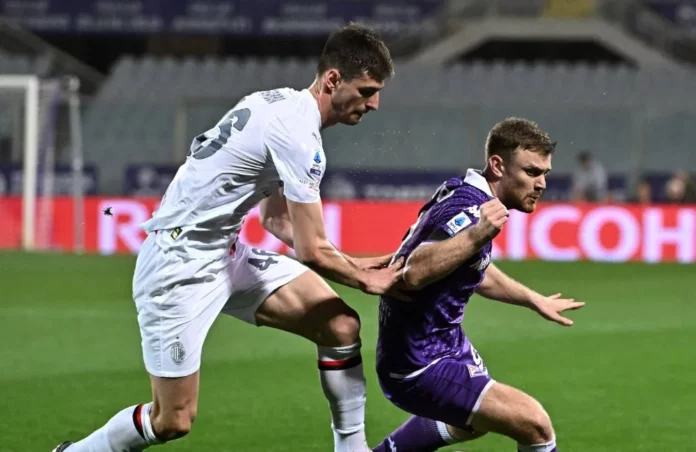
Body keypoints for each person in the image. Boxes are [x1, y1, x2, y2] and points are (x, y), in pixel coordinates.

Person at [54, 24, 404, 452]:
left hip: (226, 254)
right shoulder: (299, 137)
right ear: (333, 80)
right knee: (173, 421)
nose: (375, 103)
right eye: (368, 90)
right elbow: (312, 249)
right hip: (178, 264)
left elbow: (276, 222)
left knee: (340, 325)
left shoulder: (276, 103)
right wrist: (369, 280)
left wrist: (350, 262)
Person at [372, 118, 585, 452]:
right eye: (531, 172)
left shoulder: (471, 196)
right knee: (535, 424)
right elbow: (413, 273)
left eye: (545, 172)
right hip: (419, 363)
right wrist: (476, 234)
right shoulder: (469, 211)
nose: (542, 183)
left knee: (470, 425)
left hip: (446, 345)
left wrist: (533, 300)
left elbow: (475, 269)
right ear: (498, 165)